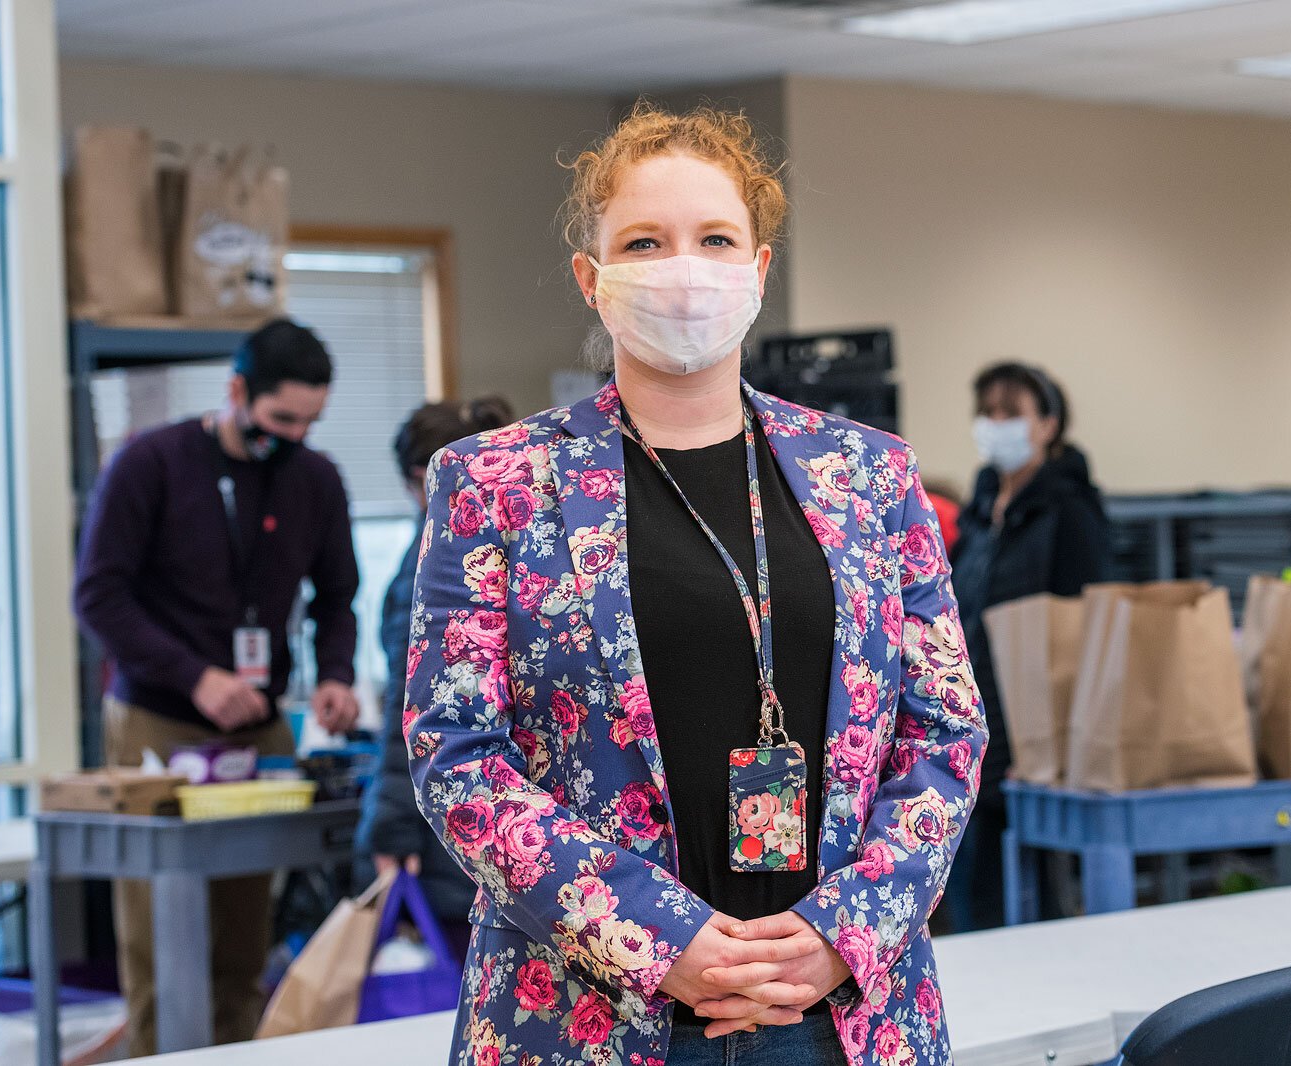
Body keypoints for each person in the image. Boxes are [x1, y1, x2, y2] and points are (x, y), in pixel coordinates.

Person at [405, 102, 985, 1066]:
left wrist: (845, 929)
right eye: (645, 240)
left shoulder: (870, 476)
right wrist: (651, 937)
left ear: (758, 271)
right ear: (593, 281)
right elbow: (456, 753)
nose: (684, 267)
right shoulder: (496, 483)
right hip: (581, 1016)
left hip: (841, 1018)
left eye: (715, 238)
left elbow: (946, 729)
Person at [73, 317, 361, 1055]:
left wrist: (335, 674)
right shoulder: (151, 464)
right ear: (237, 391)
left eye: (310, 421)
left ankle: (234, 1051)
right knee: (160, 937)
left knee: (243, 936)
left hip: (257, 727)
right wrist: (194, 677)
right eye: (279, 418)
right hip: (158, 721)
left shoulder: (315, 478)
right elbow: (99, 597)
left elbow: (336, 596)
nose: (294, 435)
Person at [945, 361, 1111, 931]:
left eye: (1011, 413)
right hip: (972, 716)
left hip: (1033, 725)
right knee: (972, 875)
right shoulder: (981, 507)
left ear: (1048, 424)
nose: (996, 424)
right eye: (987, 412)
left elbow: (1083, 620)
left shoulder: (1070, 509)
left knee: (1029, 883)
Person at [358, 396, 515, 958]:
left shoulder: (434, 564)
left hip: (456, 827)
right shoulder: (524, 536)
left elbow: (422, 713)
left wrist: (390, 830)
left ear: (420, 478)